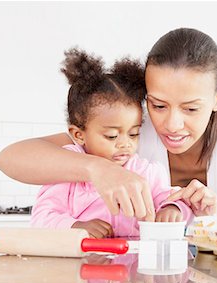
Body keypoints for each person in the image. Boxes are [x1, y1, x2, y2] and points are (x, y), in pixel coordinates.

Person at [0, 28, 217, 220]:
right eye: (158, 105)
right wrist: (96, 169)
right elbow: (10, 158)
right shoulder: (131, 127)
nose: (172, 124)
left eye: (190, 108)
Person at [30, 48, 192, 238]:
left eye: (133, 134)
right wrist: (76, 226)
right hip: (81, 265)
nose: (125, 145)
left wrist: (173, 208)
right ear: (79, 134)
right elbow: (41, 218)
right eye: (112, 136)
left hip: (133, 265)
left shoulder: (146, 172)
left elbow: (175, 200)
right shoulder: (67, 171)